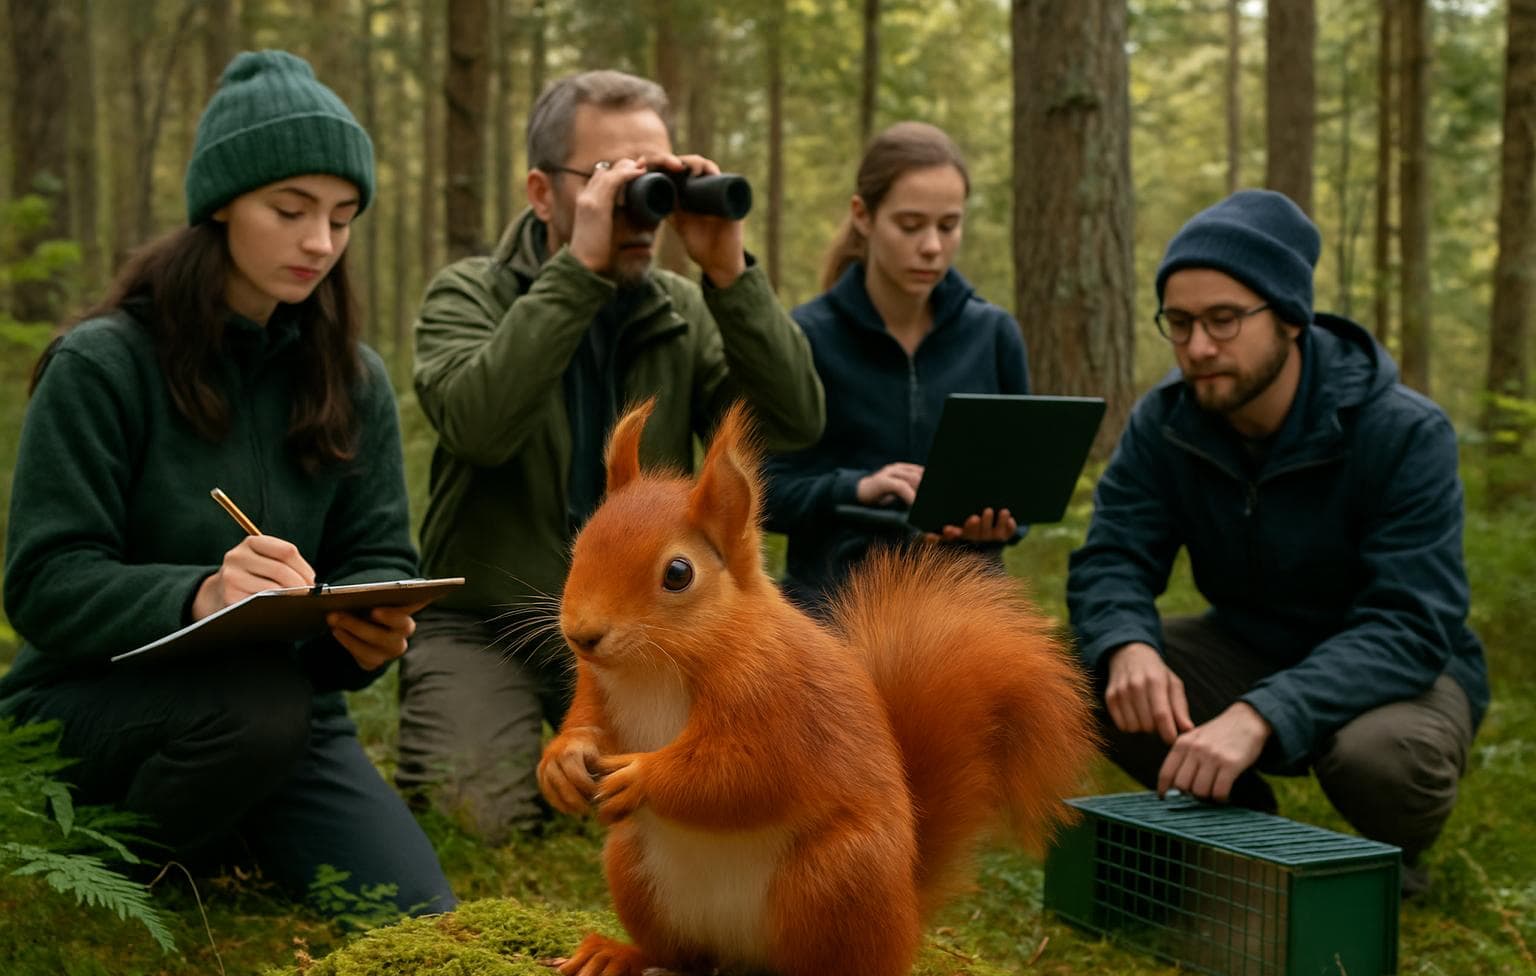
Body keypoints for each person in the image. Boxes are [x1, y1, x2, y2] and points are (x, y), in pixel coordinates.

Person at [0, 50, 455, 916]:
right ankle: (106, 884)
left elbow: (375, 553)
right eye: (289, 210)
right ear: (220, 206)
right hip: (90, 708)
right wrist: (201, 595)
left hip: (286, 707)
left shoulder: (350, 379)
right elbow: (46, 583)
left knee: (419, 915)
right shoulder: (102, 365)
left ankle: (229, 827)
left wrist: (361, 634)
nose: (319, 242)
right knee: (256, 711)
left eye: (343, 217)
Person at [398, 69, 825, 842]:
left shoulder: (684, 312)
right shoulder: (468, 295)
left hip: (641, 629)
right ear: (541, 192)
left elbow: (795, 422)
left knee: (686, 795)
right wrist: (577, 279)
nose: (637, 206)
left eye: (653, 178)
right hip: (489, 621)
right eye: (608, 177)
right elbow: (477, 425)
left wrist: (729, 274)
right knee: (477, 819)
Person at [1066, 189, 1487, 893]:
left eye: (1224, 320)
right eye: (1180, 322)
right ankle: (1239, 825)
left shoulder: (1403, 431)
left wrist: (1265, 713)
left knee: (1379, 756)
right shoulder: (1167, 420)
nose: (1199, 347)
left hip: (1397, 671)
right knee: (1082, 667)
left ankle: (1393, 855)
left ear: (1290, 318)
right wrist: (1127, 644)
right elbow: (1113, 554)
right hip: (1249, 643)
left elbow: (1412, 623)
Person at [762, 122, 1029, 610]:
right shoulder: (805, 337)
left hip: (966, 606)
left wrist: (998, 520)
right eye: (910, 226)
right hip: (836, 607)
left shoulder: (993, 335)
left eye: (948, 226)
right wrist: (858, 487)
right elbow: (764, 493)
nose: (931, 246)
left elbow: (1024, 486)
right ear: (862, 216)